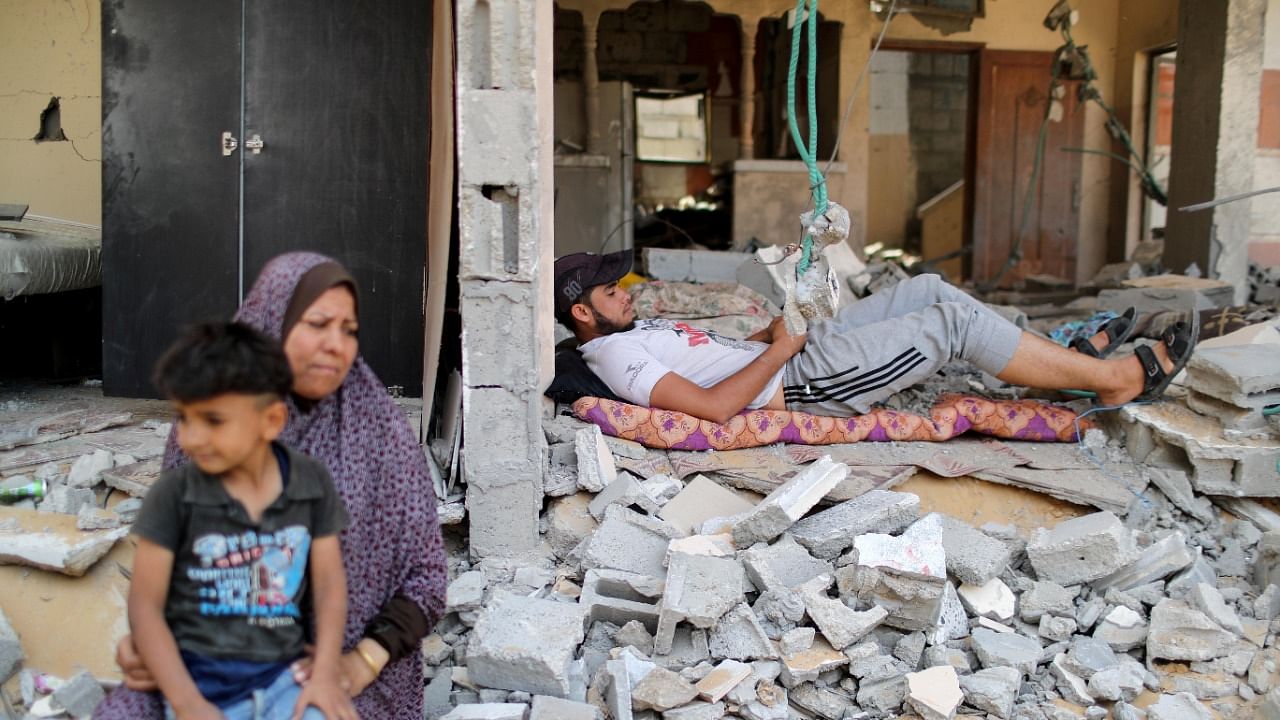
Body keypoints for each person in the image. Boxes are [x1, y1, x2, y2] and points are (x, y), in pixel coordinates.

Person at [97, 253, 448, 720]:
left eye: (348, 329)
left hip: (336, 672)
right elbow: (165, 581)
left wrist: (361, 661)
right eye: (318, 324)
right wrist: (143, 645)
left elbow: (427, 579)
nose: (336, 345)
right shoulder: (210, 422)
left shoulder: (380, 429)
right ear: (270, 322)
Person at [554, 250, 1196, 424]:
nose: (628, 293)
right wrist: (781, 350)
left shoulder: (624, 328)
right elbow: (717, 409)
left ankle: (1064, 361)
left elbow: (707, 359)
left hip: (779, 354)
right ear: (584, 315)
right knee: (952, 325)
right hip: (801, 384)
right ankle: (1117, 381)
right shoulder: (614, 353)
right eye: (612, 293)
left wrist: (771, 329)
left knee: (930, 288)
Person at [132, 322, 354, 720]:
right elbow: (145, 607)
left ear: (271, 421)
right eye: (183, 417)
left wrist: (323, 674)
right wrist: (187, 704)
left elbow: (329, 586)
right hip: (199, 687)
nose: (191, 438)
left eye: (213, 420)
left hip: (284, 680)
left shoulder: (310, 483)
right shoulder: (173, 497)